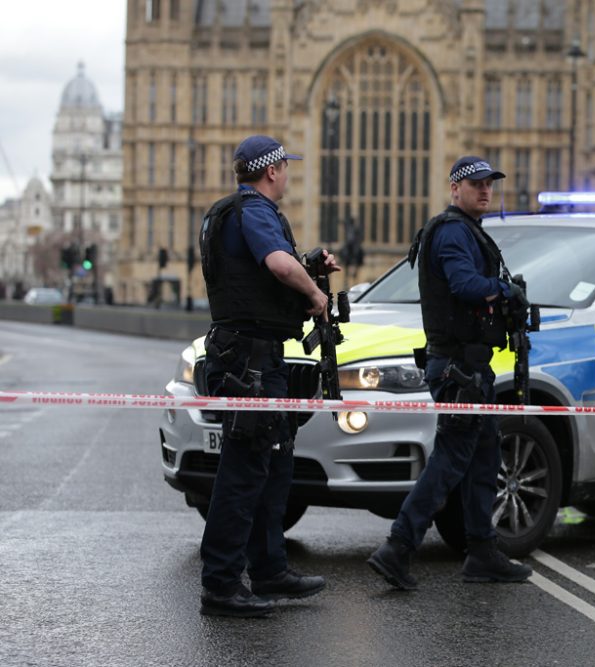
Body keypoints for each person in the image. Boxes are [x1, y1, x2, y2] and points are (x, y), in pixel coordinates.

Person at [367, 156, 532, 590]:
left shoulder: (464, 230)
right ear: (455, 188)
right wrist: (504, 291)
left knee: (483, 459)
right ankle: (397, 547)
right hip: (458, 368)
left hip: (471, 367)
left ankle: (482, 552)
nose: (484, 190)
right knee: (450, 461)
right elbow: (463, 285)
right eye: (475, 183)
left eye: (489, 183)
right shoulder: (454, 232)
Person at [198, 135, 339, 617]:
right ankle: (220, 584)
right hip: (250, 362)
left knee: (273, 463)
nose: (288, 174)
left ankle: (269, 567)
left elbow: (265, 274)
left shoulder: (227, 212)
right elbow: (278, 266)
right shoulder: (254, 210)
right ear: (272, 170)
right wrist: (316, 296)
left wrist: (311, 266)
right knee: (243, 473)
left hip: (251, 356)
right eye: (285, 166)